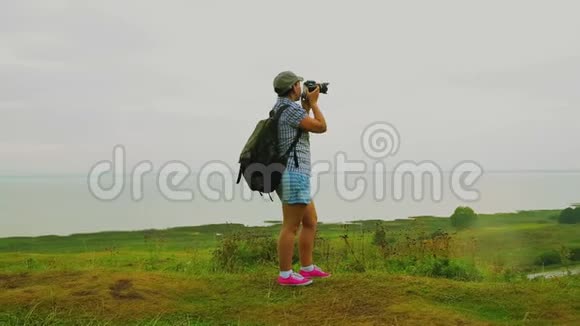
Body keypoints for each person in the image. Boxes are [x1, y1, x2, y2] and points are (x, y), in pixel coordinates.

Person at [271, 71, 330, 286]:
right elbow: (321, 127)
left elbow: (299, 123)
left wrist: (305, 104)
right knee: (291, 226)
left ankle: (307, 267)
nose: (301, 86)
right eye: (299, 84)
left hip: (295, 174)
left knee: (310, 221)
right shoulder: (288, 110)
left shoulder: (284, 109)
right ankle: (285, 275)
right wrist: (314, 104)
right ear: (293, 87)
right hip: (292, 174)